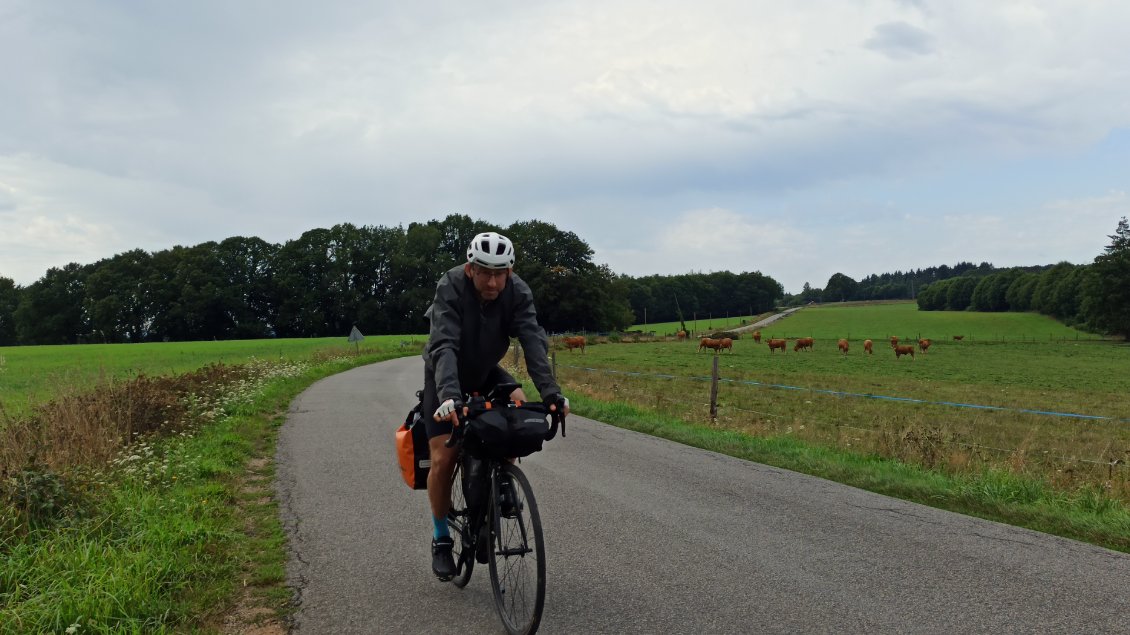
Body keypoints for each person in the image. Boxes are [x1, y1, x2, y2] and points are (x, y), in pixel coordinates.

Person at [421, 231, 570, 580]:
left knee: (516, 411)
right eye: (484, 272)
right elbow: (443, 345)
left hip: (486, 369)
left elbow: (532, 339)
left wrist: (551, 393)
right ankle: (442, 538)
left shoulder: (517, 292)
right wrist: (448, 397)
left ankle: (500, 483)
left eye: (499, 272)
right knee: (443, 455)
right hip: (446, 372)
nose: (492, 281)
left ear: (510, 270)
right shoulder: (451, 286)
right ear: (470, 268)